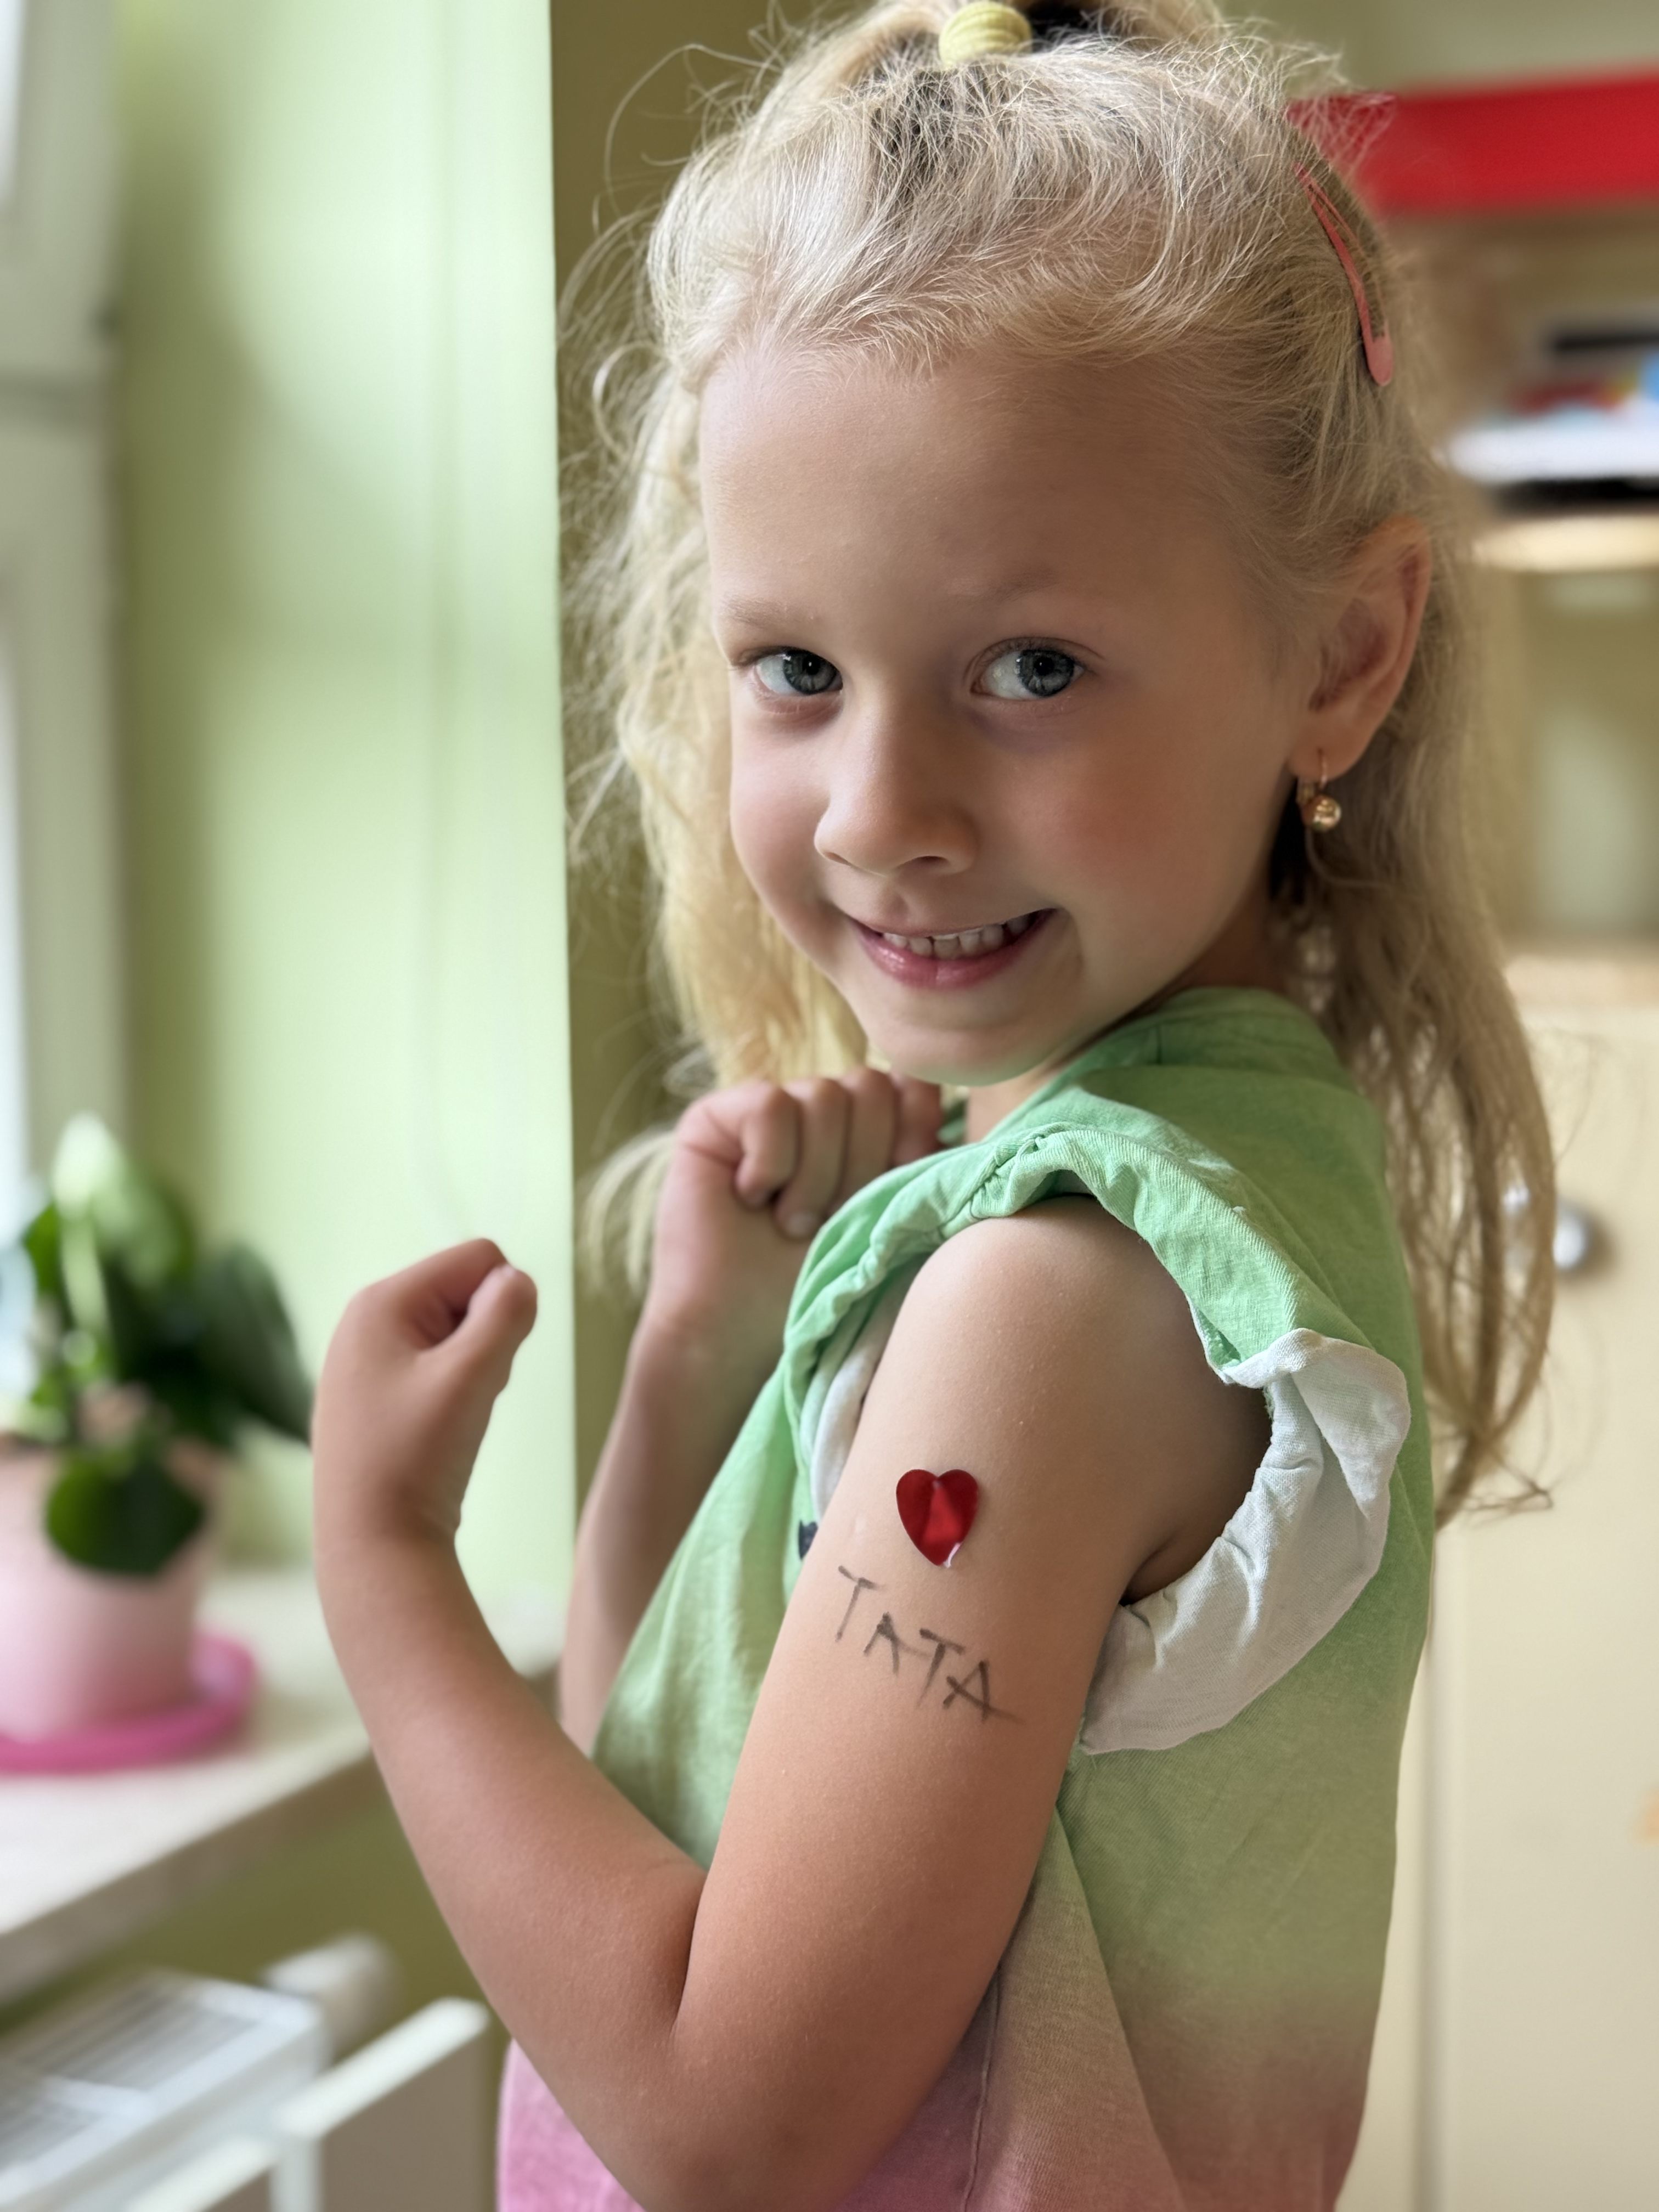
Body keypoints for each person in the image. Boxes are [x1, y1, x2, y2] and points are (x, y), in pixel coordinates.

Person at [311, 3, 1556, 2207]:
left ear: (1342, 658)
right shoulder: (1199, 1169)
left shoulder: (1056, 1303)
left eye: (1033, 668)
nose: (883, 813)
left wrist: (383, 1578)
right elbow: (678, 1798)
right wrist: (705, 1366)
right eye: (797, 668)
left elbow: (722, 2119)